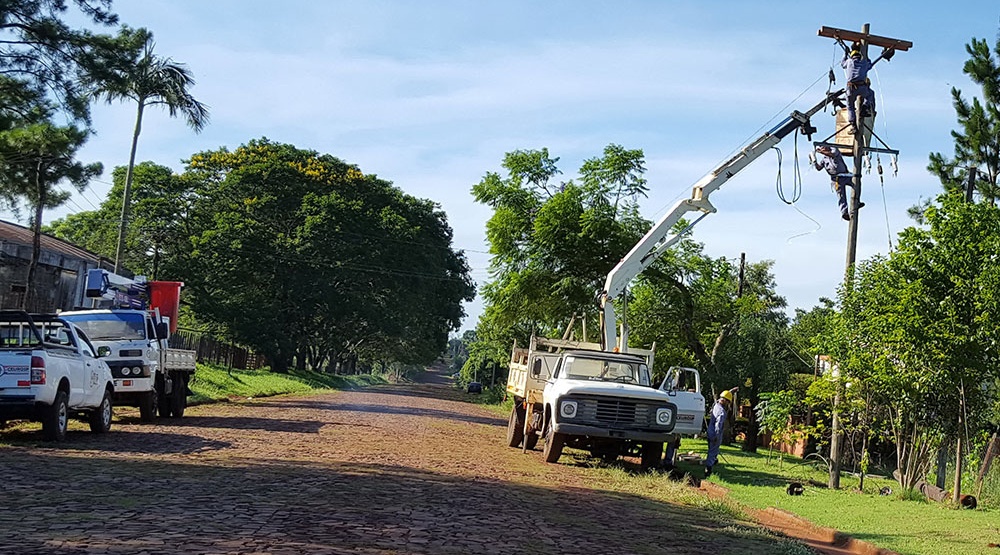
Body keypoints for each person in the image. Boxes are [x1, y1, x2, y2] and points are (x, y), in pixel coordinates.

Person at [810, 145, 858, 221]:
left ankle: (857, 201)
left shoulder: (834, 150)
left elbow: (832, 154)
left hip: (845, 175)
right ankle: (844, 212)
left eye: (823, 147)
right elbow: (819, 168)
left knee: (856, 182)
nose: (822, 149)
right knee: (841, 196)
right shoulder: (824, 159)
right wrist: (814, 161)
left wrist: (820, 151)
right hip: (836, 179)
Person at [839, 41, 876, 130]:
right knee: (870, 94)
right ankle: (865, 107)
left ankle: (853, 125)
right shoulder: (863, 62)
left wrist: (845, 54)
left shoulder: (849, 62)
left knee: (850, 106)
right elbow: (870, 65)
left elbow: (842, 63)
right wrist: (866, 58)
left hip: (851, 88)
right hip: (862, 87)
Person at [704, 387, 736, 477]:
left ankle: (713, 461)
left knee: (711, 450)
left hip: (710, 432)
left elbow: (723, 397)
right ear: (726, 402)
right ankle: (708, 469)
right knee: (713, 451)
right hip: (715, 434)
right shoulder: (722, 412)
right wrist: (717, 436)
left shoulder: (716, 406)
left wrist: (731, 391)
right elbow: (718, 425)